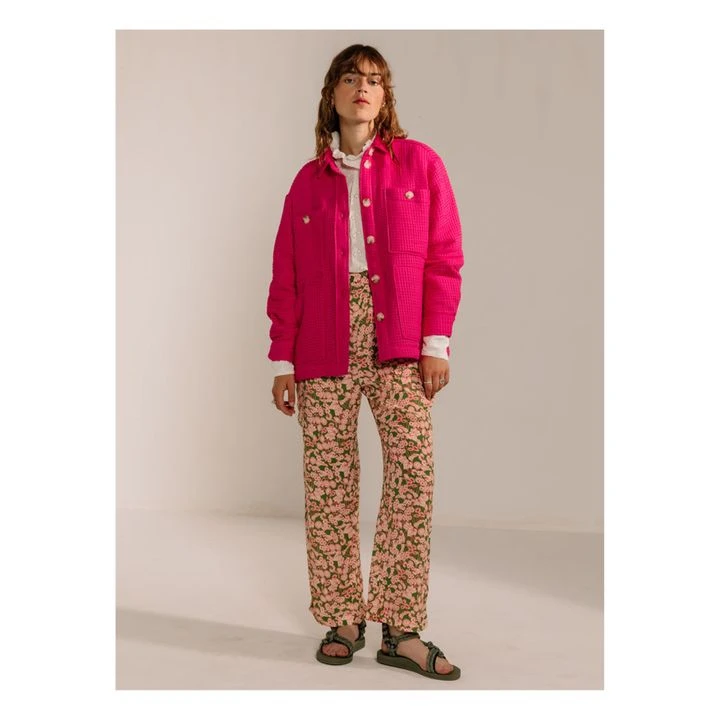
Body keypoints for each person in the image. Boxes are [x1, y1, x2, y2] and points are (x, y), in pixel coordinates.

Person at [266, 44, 463, 681]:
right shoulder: (307, 181)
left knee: (413, 469)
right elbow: (286, 276)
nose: (363, 87)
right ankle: (343, 617)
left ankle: (400, 628)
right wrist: (282, 356)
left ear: (386, 96)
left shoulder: (420, 164)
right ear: (332, 93)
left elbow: (443, 257)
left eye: (375, 80)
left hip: (399, 337)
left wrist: (436, 344)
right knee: (329, 481)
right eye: (352, 77)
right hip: (320, 342)